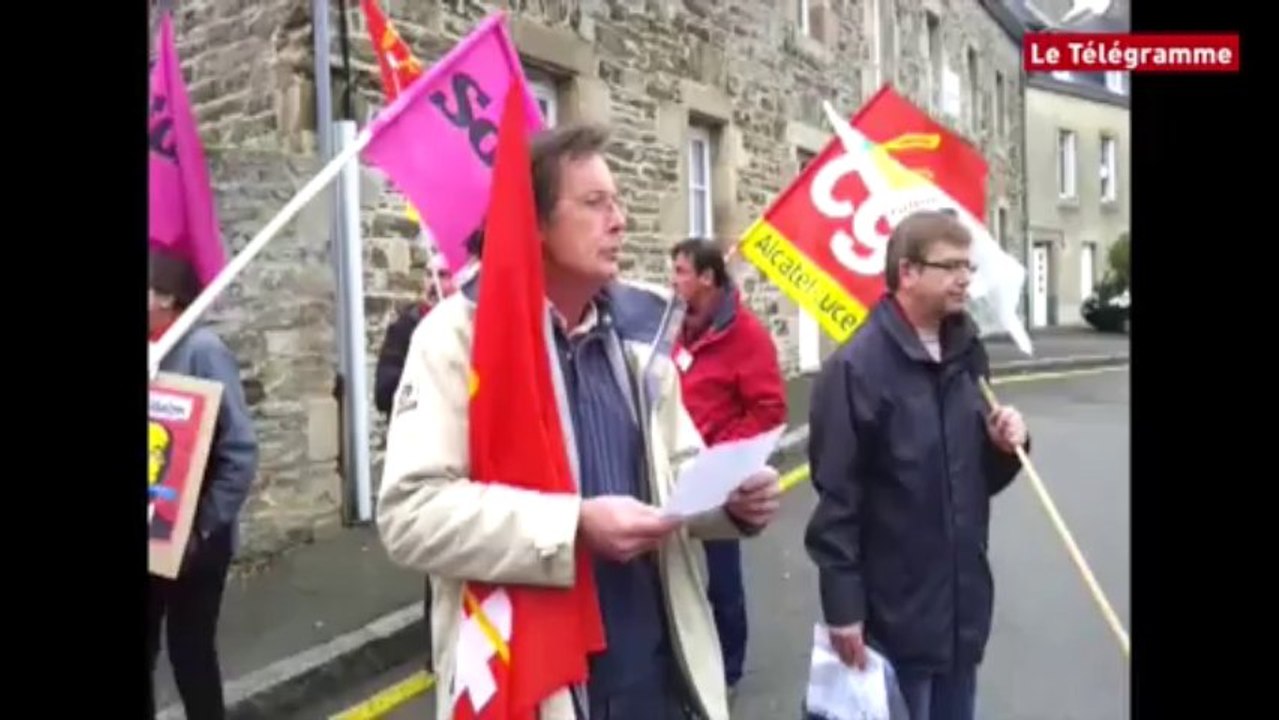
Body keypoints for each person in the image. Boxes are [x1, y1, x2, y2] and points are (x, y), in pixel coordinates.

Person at [376, 122, 782, 720]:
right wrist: (572, 527)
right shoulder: (457, 337)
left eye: (617, 202)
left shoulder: (643, 339)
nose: (619, 220)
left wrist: (731, 503)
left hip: (658, 680)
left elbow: (678, 472)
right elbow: (411, 514)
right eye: (595, 204)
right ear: (532, 222)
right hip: (539, 687)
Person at [803, 210, 1029, 720]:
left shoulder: (966, 352)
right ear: (907, 272)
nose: (964, 280)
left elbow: (972, 484)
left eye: (968, 268)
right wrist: (844, 610)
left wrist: (1002, 446)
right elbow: (837, 501)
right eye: (950, 267)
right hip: (893, 616)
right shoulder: (855, 368)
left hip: (960, 612)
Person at [668, 237, 786, 693]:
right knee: (670, 571)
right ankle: (678, 663)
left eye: (681, 271)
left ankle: (727, 670)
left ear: (707, 278)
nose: (673, 280)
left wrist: (720, 455)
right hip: (671, 469)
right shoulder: (678, 327)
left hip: (717, 476)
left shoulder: (747, 336)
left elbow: (769, 411)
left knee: (722, 578)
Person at [148, 249, 259, 720]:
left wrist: (202, 528)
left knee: (190, 654)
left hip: (197, 539)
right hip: (152, 530)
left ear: (167, 297)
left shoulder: (203, 351)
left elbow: (240, 452)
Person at [374, 251, 456, 416]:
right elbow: (384, 393)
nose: (433, 283)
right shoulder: (405, 328)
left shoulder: (467, 326)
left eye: (443, 275)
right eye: (429, 275)